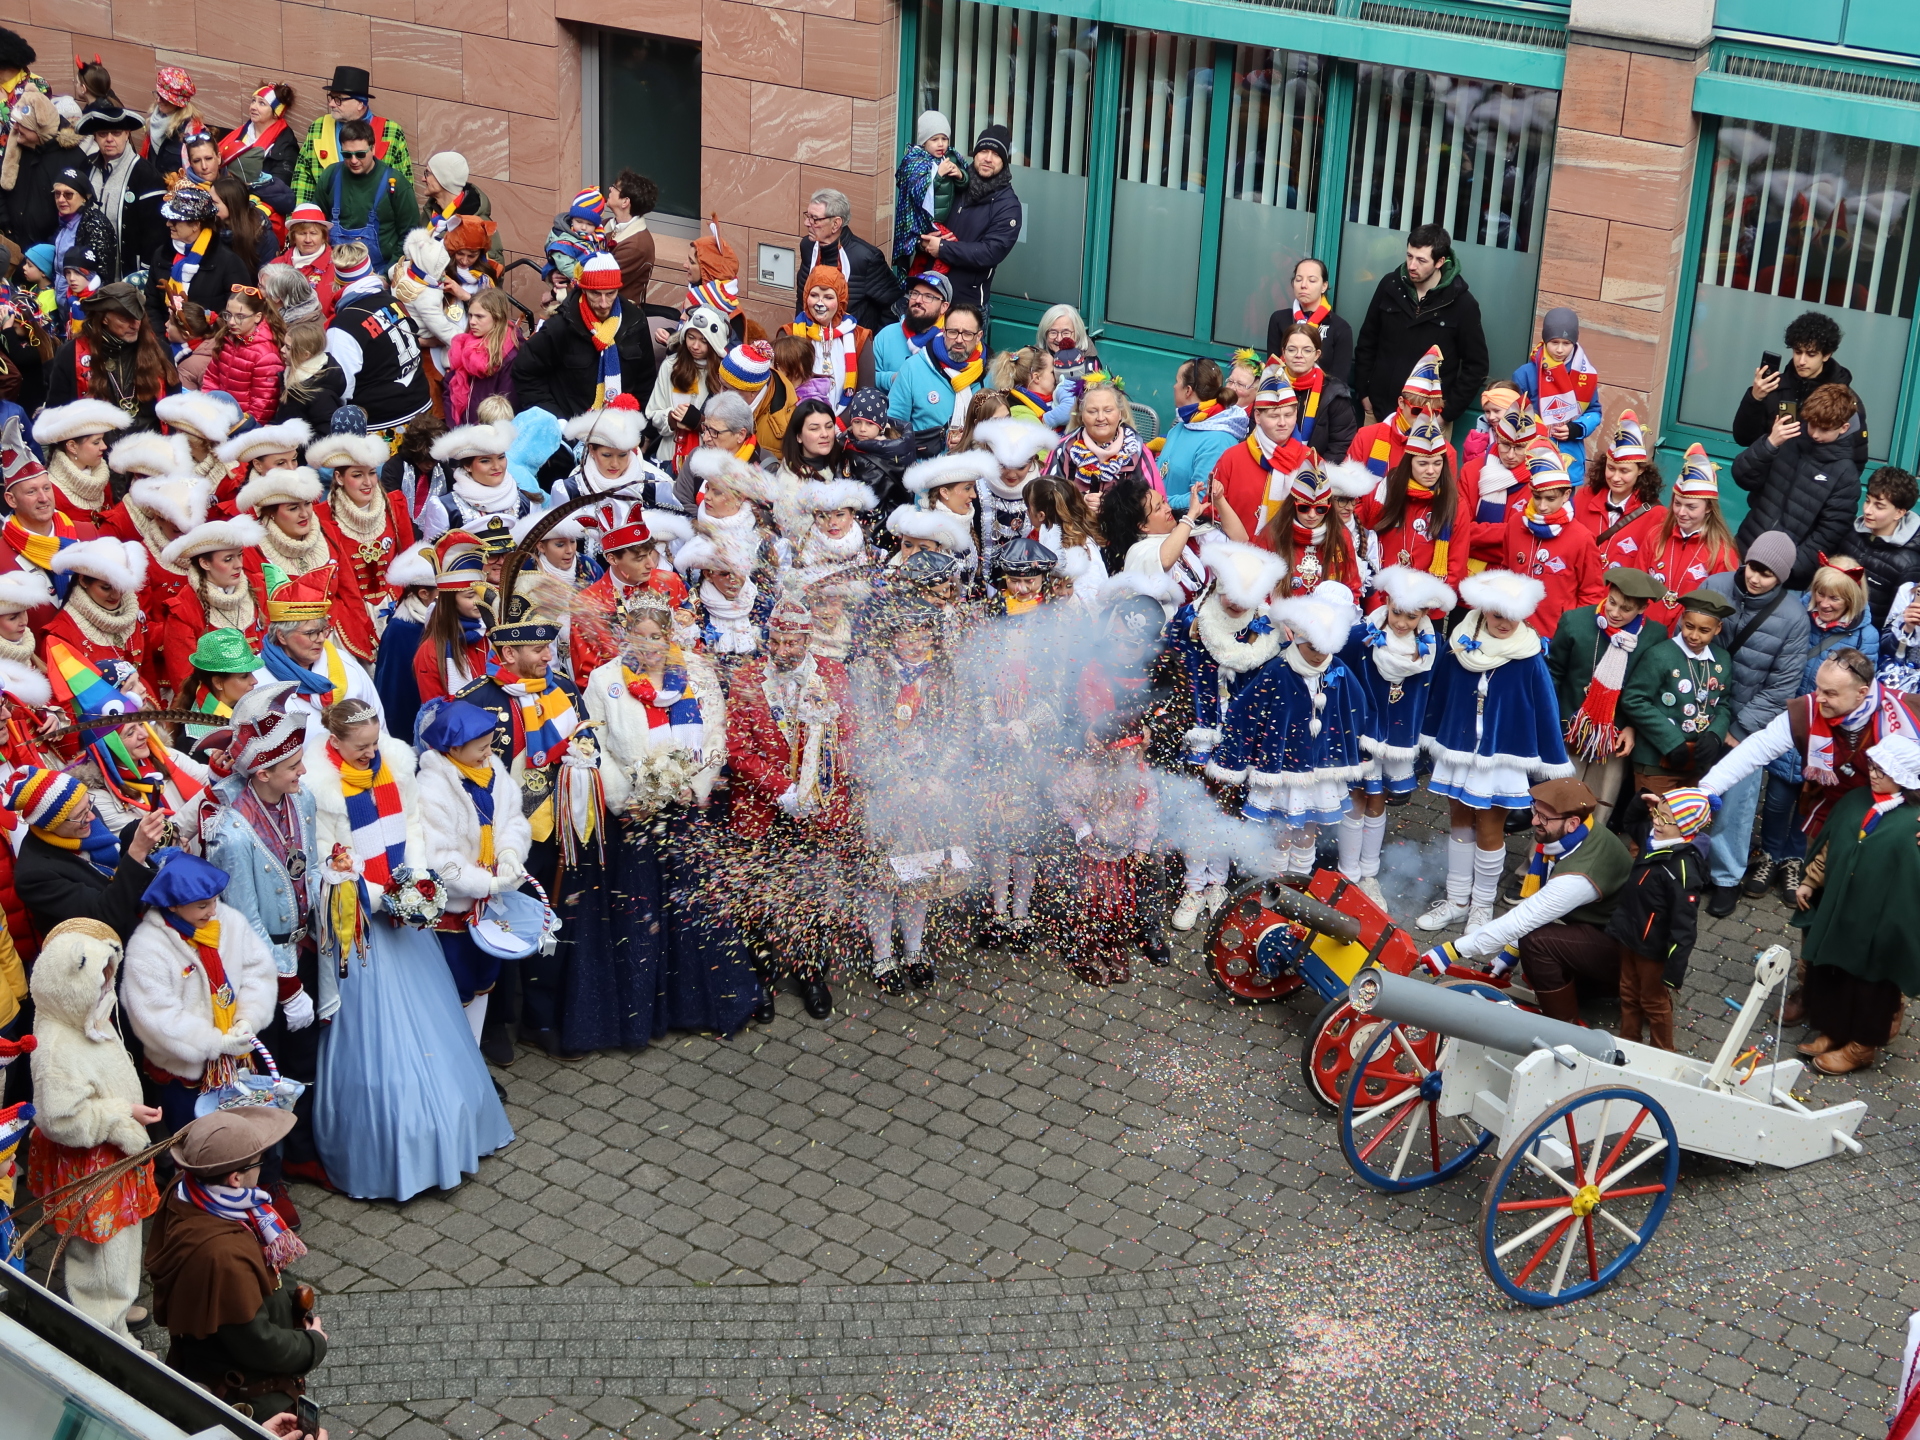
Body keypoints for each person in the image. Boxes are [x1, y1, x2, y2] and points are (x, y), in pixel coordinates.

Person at [304, 695, 513, 1195]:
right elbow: (328, 864)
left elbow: (413, 827)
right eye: (360, 748)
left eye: (375, 742)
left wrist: (415, 882)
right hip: (362, 925)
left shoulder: (395, 761)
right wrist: (382, 898)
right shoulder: (317, 788)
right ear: (334, 743)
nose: (371, 753)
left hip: (404, 911)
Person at [584, 585, 759, 1040]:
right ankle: (645, 1014)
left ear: (669, 636)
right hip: (637, 817)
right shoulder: (605, 681)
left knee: (696, 909)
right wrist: (628, 798)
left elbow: (716, 735)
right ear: (627, 638)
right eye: (640, 638)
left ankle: (704, 1006)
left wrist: (693, 787)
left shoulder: (697, 672)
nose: (650, 646)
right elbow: (597, 748)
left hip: (686, 811)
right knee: (643, 913)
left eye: (657, 637)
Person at [453, 591, 608, 1061]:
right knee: (498, 926)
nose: (548, 656)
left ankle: (540, 1019)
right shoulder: (474, 702)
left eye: (549, 647)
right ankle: (499, 1021)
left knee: (549, 925)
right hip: (500, 840)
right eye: (538, 650)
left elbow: (587, 741)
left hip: (558, 830)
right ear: (507, 654)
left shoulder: (561, 687)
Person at [144, 1106, 324, 1422]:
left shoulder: (186, 1189)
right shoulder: (222, 1256)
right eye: (260, 1161)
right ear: (235, 1178)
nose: (263, 1168)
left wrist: (289, 1294)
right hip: (250, 1393)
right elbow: (259, 1344)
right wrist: (313, 1345)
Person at [26, 917, 160, 1336]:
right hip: (93, 1164)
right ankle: (106, 1335)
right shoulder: (56, 1048)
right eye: (98, 978)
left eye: (109, 976)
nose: (106, 987)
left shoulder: (85, 1017)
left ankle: (115, 1310)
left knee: (119, 1248)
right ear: (71, 982)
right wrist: (120, 1117)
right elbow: (61, 1119)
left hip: (108, 1160)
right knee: (101, 1257)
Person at [725, 597, 857, 1020]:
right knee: (760, 896)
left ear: (807, 639)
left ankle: (811, 973)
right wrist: (781, 790)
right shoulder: (746, 678)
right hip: (764, 809)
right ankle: (761, 980)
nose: (783, 651)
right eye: (776, 642)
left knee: (810, 892)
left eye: (792, 642)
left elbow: (849, 738)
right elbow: (738, 750)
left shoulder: (833, 675)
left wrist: (814, 789)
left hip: (817, 810)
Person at [1417, 569, 1572, 931]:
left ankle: (1481, 907)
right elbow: (1439, 695)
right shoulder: (1458, 646)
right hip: (1458, 750)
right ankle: (1457, 899)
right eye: (1497, 614)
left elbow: (1546, 709)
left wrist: (1553, 761)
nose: (1505, 623)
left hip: (1501, 756)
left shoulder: (1529, 655)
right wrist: (1427, 738)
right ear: (1484, 610)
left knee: (1489, 827)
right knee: (1458, 820)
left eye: (1512, 616)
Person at [1419, 777, 1635, 1028]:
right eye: (1535, 811)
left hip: (1627, 959)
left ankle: (1564, 1026)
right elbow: (1533, 908)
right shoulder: (1572, 836)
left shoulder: (1579, 875)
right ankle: (1579, 988)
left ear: (1573, 822)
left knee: (1537, 943)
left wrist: (1450, 951)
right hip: (1605, 934)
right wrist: (1507, 956)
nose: (1534, 821)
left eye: (1544, 818)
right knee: (1534, 951)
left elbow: (1526, 918)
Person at [121, 846, 279, 1134]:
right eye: (202, 905)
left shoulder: (229, 921)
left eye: (215, 900)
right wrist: (214, 1043)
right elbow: (155, 1016)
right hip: (183, 1077)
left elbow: (259, 971)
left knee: (244, 1138)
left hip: (239, 1064)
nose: (213, 910)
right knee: (196, 1147)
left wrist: (248, 1020)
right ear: (172, 905)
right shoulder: (147, 946)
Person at [1749, 557, 1880, 900]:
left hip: (1828, 733)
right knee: (1777, 799)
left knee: (1809, 800)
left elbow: (1861, 690)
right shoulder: (1797, 615)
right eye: (1820, 594)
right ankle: (1770, 855)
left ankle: (1795, 859)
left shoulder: (1866, 635)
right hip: (1792, 723)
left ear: (1851, 599)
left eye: (1834, 598)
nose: (1824, 603)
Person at [1789, 734, 1920, 1074]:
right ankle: (1833, 1029)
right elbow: (1830, 846)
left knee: (1871, 983)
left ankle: (1862, 1045)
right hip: (1842, 907)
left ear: (1905, 777)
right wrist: (1809, 881)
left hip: (1882, 919)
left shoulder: (1914, 822)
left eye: (1883, 771)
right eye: (1873, 767)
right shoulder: (1855, 800)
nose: (1874, 775)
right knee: (1833, 969)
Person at [1338, 566, 1454, 901]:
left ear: (1425, 614)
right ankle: (1348, 873)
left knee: (1379, 800)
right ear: (1386, 602)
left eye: (1411, 616)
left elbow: (1434, 693)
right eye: (1396, 613)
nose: (1402, 622)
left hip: (1401, 737)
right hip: (1362, 733)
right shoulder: (1360, 636)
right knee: (1357, 797)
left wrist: (1426, 734)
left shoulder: (1433, 646)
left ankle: (1368, 874)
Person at [1547, 566, 1669, 828]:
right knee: (1557, 801)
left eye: (1625, 609)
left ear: (1642, 609)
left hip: (1614, 735)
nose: (1614, 612)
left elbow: (1651, 689)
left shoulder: (1655, 636)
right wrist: (1550, 720)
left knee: (1599, 803)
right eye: (1612, 602)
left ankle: (1586, 862)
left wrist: (1633, 727)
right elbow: (1553, 673)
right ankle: (1536, 865)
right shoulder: (1575, 622)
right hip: (1571, 726)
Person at [1605, 787, 1715, 1051]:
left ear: (1686, 828)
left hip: (1652, 949)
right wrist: (1641, 799)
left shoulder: (1683, 869)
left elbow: (1684, 927)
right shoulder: (1653, 838)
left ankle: (1664, 1053)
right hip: (1629, 934)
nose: (1656, 821)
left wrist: (1673, 973)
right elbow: (1630, 823)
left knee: (1654, 1003)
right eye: (1657, 813)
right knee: (1628, 993)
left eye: (1666, 818)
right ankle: (1628, 1043)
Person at [1351, 223, 1488, 429]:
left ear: (1440, 261)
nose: (1412, 265)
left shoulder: (1462, 303)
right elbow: (1368, 340)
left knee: (1423, 463)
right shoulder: (1390, 285)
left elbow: (1476, 366)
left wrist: (1447, 414)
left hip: (1429, 421)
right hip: (1379, 413)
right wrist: (1365, 393)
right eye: (1409, 256)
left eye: (1421, 260)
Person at [5, 767, 166, 939]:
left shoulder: (84, 817)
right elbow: (104, 917)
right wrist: (137, 851)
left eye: (89, 804)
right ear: (50, 824)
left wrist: (139, 831)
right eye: (81, 814)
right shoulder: (34, 876)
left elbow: (114, 862)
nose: (91, 817)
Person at [238, 466, 379, 661]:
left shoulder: (327, 532)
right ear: (271, 513)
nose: (305, 514)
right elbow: (263, 614)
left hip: (338, 636)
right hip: (288, 646)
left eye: (307, 504)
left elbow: (350, 593)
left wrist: (364, 631)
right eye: (293, 508)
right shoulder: (253, 551)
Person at [1731, 382, 1863, 589]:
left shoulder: (1845, 475)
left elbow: (1829, 535)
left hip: (1786, 577)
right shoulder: (1787, 439)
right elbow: (1742, 476)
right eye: (1812, 424)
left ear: (1844, 428)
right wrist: (1769, 444)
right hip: (1744, 550)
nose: (1815, 434)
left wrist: (1785, 568)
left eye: (1825, 429)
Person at [1618, 587, 1736, 799]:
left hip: (1696, 763)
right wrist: (1670, 739)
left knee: (1685, 825)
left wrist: (1715, 735)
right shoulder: (1660, 654)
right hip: (1656, 761)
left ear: (1718, 629)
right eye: (1689, 626)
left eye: (1704, 630)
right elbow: (1635, 699)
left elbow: (1723, 704)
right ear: (1682, 618)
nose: (1694, 635)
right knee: (1654, 825)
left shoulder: (1722, 659)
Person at [511, 252, 655, 422]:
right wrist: (557, 421)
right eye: (596, 294)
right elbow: (525, 372)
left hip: (621, 430)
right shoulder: (560, 326)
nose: (604, 303)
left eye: (610, 294)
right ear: (584, 289)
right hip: (570, 433)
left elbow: (646, 381)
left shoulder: (635, 322)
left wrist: (642, 428)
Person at [1481, 448, 1604, 640]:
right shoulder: (1515, 523)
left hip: (1554, 638)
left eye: (1551, 498)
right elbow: (1506, 569)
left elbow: (1592, 594)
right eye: (1537, 497)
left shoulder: (1582, 538)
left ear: (1566, 495)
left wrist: (1570, 633)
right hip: (1512, 630)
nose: (1543, 506)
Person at [1732, 309, 1869, 471]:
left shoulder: (1844, 398)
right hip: (1770, 487)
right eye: (1797, 352)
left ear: (1826, 355)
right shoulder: (1774, 386)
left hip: (1814, 488)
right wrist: (1754, 398)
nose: (1801, 361)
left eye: (1811, 354)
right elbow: (1743, 438)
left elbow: (1856, 459)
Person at [1355, 409, 1469, 593]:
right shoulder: (1386, 492)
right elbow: (1368, 544)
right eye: (1423, 463)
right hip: (1384, 598)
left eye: (1437, 463)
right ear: (1409, 464)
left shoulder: (1455, 503)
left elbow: (1456, 565)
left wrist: (1426, 605)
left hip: (1429, 603)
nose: (1431, 471)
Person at [324, 241, 431, 434]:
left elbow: (340, 387)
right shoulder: (393, 301)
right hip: (423, 413)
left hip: (383, 426)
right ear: (371, 272)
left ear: (338, 281)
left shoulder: (343, 326)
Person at [158, 516, 267, 701]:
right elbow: (186, 680)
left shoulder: (258, 586)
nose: (239, 564)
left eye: (240, 554)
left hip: (264, 690)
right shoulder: (183, 609)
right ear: (205, 563)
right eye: (228, 559)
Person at [51, 282, 178, 430]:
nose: (135, 325)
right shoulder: (70, 354)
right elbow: (58, 414)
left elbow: (173, 409)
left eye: (138, 317)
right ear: (104, 318)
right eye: (125, 319)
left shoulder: (161, 350)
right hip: (99, 448)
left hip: (153, 447)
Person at [1641, 445, 1740, 633]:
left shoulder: (1723, 553)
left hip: (1685, 641)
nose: (1681, 512)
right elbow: (1638, 586)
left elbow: (1718, 610)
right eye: (1677, 503)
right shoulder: (1655, 536)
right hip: (1644, 632)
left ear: (1709, 508)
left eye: (1691, 507)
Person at [311, 428, 413, 610]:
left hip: (397, 606)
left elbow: (408, 562)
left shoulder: (395, 505)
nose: (368, 482)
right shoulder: (320, 516)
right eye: (357, 475)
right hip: (350, 611)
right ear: (339, 478)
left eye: (372, 473)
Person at [923, 126, 1020, 314]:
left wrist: (942, 248)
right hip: (928, 294)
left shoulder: (1008, 206)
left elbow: (990, 252)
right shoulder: (952, 182)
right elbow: (923, 216)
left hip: (966, 305)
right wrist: (921, 241)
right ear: (975, 154)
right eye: (984, 151)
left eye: (996, 154)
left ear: (1004, 161)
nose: (988, 158)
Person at [291, 64, 413, 203]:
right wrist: (300, 219)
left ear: (360, 104)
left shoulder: (390, 132)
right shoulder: (319, 127)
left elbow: (404, 185)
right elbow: (302, 178)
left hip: (376, 220)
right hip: (326, 219)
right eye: (331, 97)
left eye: (339, 99)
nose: (331, 104)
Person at [311, 118, 418, 273]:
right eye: (347, 154)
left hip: (380, 273)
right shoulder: (330, 175)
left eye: (360, 154)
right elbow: (316, 225)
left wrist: (389, 276)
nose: (354, 160)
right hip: (334, 270)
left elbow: (410, 236)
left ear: (373, 149)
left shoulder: (395, 183)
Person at [1511, 307, 1601, 483]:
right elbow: (1514, 415)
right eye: (1554, 342)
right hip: (1532, 458)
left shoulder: (1585, 375)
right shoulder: (1525, 374)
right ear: (1545, 341)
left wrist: (1576, 428)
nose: (1560, 350)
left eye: (1566, 343)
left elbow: (1595, 411)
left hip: (1569, 459)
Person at [148, 187, 253, 336]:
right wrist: (163, 338)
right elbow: (152, 304)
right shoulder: (161, 255)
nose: (168, 224)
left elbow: (238, 311)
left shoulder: (228, 262)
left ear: (196, 225)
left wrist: (201, 339)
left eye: (176, 220)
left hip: (208, 345)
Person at [797, 187, 902, 333]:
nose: (807, 223)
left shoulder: (866, 257)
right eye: (807, 216)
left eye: (814, 219)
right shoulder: (807, 246)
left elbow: (893, 306)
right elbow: (801, 297)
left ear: (836, 224)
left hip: (851, 347)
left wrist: (872, 343)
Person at [80, 103, 164, 282]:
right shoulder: (86, 167)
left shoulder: (146, 174)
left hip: (128, 277)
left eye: (116, 133)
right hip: (89, 275)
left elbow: (155, 234)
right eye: (103, 134)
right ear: (95, 137)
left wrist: (145, 275)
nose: (109, 139)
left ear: (127, 134)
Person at [1345, 346, 1457, 479]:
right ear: (1401, 403)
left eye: (1434, 413)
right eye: (1417, 411)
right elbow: (1349, 492)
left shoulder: (1446, 452)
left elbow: (1446, 497)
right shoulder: (1366, 437)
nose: (1426, 418)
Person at [1574, 410, 1666, 571]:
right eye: (1611, 468)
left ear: (1640, 470)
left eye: (1624, 471)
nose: (1615, 477)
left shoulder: (1657, 516)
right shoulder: (1583, 497)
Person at [1159, 358, 1247, 515]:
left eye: (1177, 381)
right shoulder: (1182, 425)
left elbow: (1203, 498)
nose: (1174, 386)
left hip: (1187, 529)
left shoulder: (1218, 441)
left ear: (1188, 390)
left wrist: (1159, 502)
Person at [886, 300, 985, 436]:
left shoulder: (989, 373)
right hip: (922, 456)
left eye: (967, 334)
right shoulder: (913, 368)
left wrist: (968, 441)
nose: (959, 340)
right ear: (943, 332)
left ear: (979, 336)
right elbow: (893, 424)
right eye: (953, 332)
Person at [644, 305, 724, 468]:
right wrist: (672, 420)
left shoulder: (723, 373)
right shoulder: (671, 366)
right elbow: (653, 412)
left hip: (707, 460)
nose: (695, 346)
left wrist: (701, 423)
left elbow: (732, 427)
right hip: (670, 454)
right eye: (691, 337)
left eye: (703, 340)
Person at [891, 109, 966, 277]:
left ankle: (915, 281)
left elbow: (966, 183)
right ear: (924, 142)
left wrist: (960, 175)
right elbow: (917, 193)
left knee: (923, 258)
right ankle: (932, 279)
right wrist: (939, 175)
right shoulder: (914, 161)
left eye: (944, 139)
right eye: (935, 139)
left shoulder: (951, 157)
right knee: (948, 245)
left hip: (945, 218)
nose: (941, 144)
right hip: (922, 221)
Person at [33, 397, 128, 529]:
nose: (104, 446)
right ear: (72, 446)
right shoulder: (51, 492)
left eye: (102, 440)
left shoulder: (101, 478)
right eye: (96, 442)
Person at [201, 285, 287, 427]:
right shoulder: (227, 338)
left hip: (243, 427)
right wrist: (208, 409)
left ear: (257, 317)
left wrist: (240, 428)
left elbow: (262, 405)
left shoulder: (266, 355)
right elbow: (211, 379)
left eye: (240, 316)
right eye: (228, 314)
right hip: (218, 418)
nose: (231, 322)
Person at [1266, 257, 1353, 387]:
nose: (1303, 285)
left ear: (1324, 286)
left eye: (1312, 280)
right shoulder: (1279, 319)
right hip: (1283, 395)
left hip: (1321, 398)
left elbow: (1338, 381)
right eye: (1298, 279)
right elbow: (1272, 368)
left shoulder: (1340, 327)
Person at [1853, 467, 1920, 630]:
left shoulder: (1909, 563)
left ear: (1899, 513)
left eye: (1879, 506)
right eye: (1868, 500)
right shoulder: (1851, 533)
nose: (1868, 510)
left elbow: (1897, 622)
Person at [445, 286, 517, 426]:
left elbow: (505, 406)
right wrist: (453, 426)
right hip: (459, 429)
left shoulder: (509, 356)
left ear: (497, 317)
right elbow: (449, 387)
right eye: (470, 315)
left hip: (487, 433)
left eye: (479, 316)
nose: (472, 321)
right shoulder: (463, 345)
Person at [870, 270, 949, 397]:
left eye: (928, 296)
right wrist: (892, 379)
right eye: (915, 293)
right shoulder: (886, 335)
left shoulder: (950, 340)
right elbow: (867, 376)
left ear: (944, 307)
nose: (918, 300)